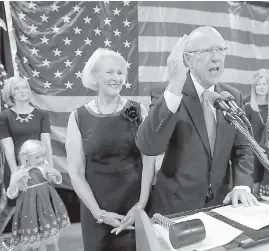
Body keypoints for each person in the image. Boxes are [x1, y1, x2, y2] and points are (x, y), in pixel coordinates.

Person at [136, 26, 259, 216]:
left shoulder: (232, 96)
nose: (216, 56)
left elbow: (244, 148)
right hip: (175, 210)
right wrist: (175, 84)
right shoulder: (168, 94)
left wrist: (242, 185)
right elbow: (149, 146)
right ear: (188, 59)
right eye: (207, 51)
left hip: (220, 206)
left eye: (220, 49)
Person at [65, 48, 154, 251]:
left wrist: (140, 205)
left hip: (135, 205)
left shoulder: (139, 111)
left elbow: (149, 163)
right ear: (95, 77)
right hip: (95, 210)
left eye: (120, 73)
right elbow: (76, 172)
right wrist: (100, 214)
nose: (116, 78)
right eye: (109, 72)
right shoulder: (78, 117)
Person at [0, 76, 54, 233]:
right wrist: (16, 173)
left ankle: (37, 242)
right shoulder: (4, 116)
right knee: (15, 206)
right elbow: (8, 148)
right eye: (17, 88)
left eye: (24, 87)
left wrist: (49, 167)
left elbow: (47, 144)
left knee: (37, 206)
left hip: (39, 168)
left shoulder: (41, 114)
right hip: (17, 167)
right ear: (10, 93)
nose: (22, 91)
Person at [6, 140, 69, 250]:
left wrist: (57, 175)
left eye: (43, 156)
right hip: (30, 209)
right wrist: (13, 182)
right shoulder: (19, 172)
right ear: (26, 157)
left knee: (51, 237)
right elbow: (12, 194)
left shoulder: (44, 167)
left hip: (46, 206)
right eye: (37, 157)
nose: (41, 160)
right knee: (35, 239)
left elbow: (53, 180)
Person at [244, 69, 269, 143]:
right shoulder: (248, 107)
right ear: (254, 87)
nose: (261, 87)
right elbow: (244, 131)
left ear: (268, 87)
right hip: (253, 149)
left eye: (264, 84)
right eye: (258, 84)